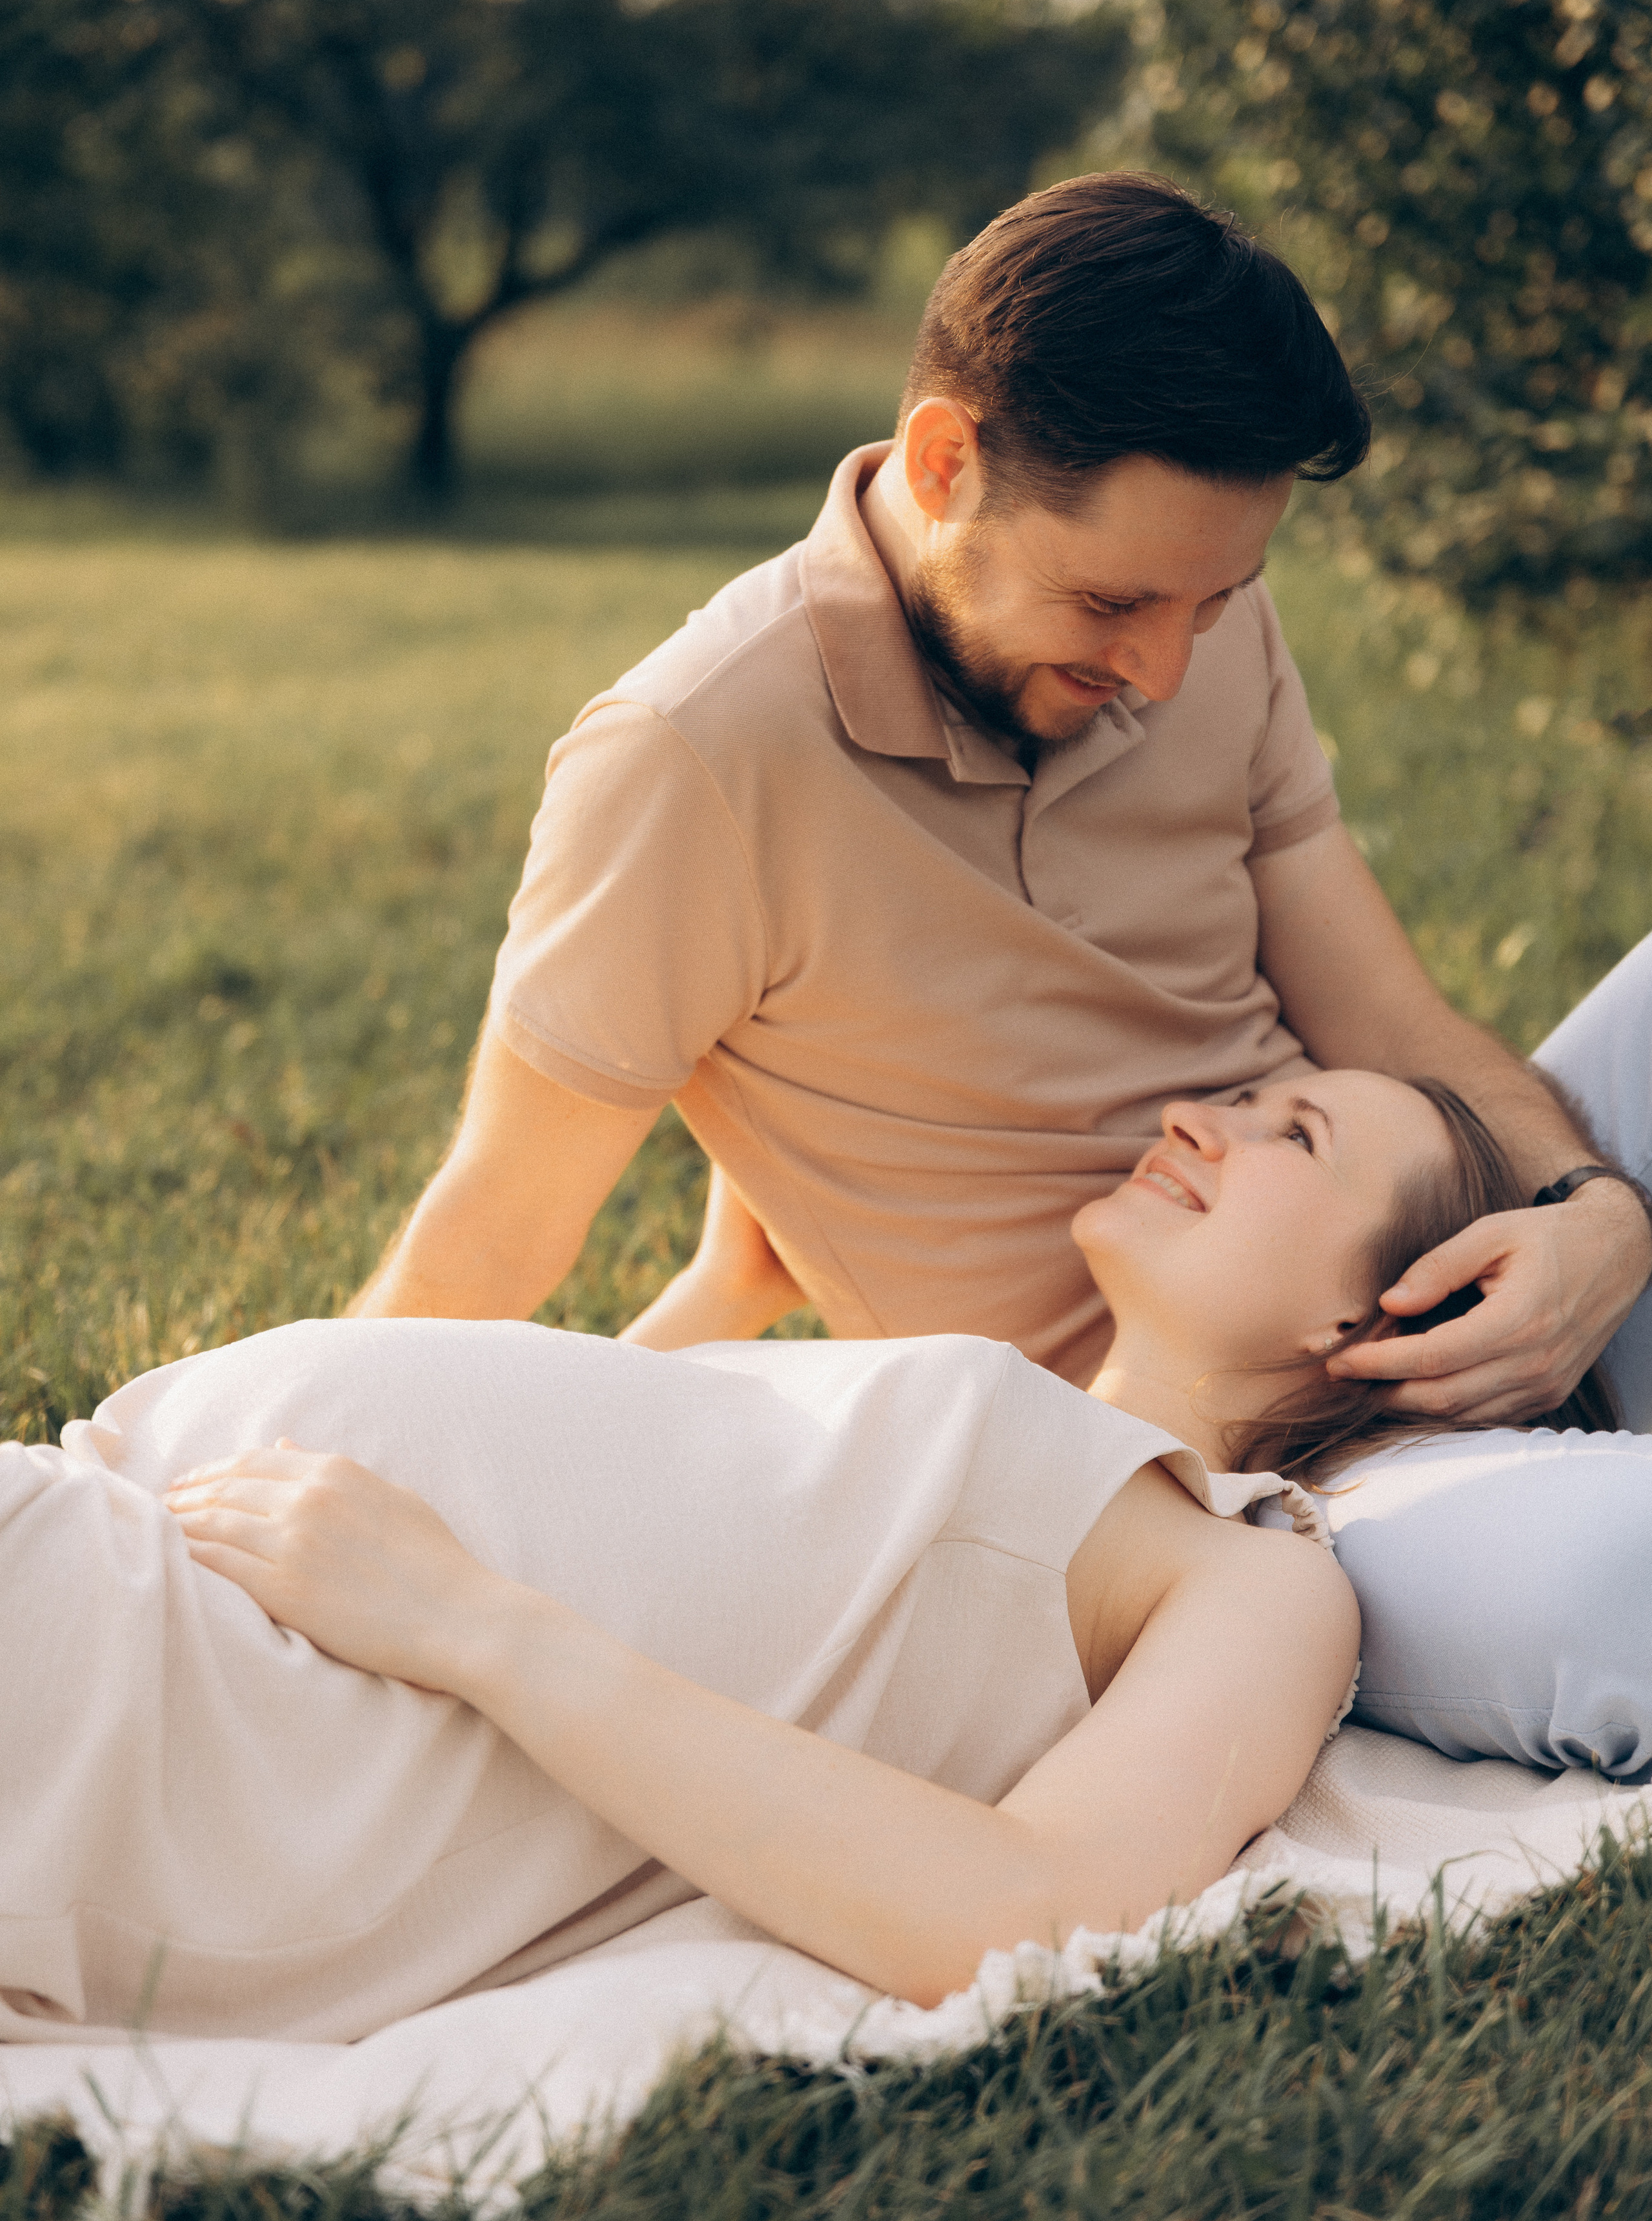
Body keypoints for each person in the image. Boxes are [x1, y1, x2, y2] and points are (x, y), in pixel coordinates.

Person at [345, 170, 1652, 1454]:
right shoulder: (694, 759)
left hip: (1415, 1251)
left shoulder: (1194, 619)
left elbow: (1393, 1021)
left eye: (1211, 600)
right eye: (1108, 604)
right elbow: (496, 1231)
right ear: (941, 463)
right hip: (1206, 1457)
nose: (1163, 672)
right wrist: (240, 1495)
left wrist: (1596, 1221)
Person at [4, 1067, 1538, 2045]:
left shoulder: (1260, 1579)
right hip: (152, 1576)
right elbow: (643, 1514)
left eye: (1297, 1134)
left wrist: (465, 1624)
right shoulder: (1005, 1418)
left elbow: (1020, 1911)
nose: (1201, 1117)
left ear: (1377, 1318)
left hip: (200, 1704)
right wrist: (714, 1307)